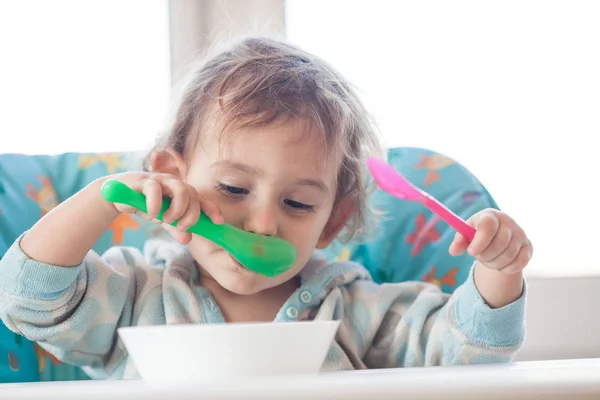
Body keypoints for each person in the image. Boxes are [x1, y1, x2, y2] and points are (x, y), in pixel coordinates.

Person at [0, 37, 532, 379]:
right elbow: (26, 299)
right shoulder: (136, 296)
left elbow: (468, 356)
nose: (262, 223)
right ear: (171, 177)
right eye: (233, 188)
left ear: (334, 221)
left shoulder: (353, 310)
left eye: (298, 203)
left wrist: (497, 269)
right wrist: (107, 195)